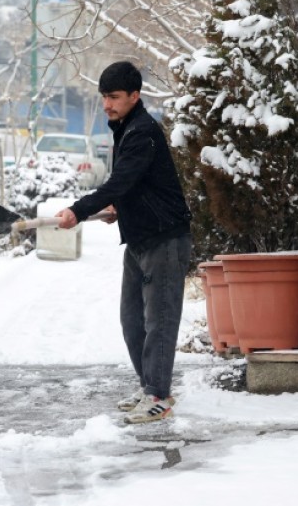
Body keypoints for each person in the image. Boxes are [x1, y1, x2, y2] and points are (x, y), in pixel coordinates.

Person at [55, 61, 193, 424]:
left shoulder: (143, 131)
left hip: (164, 239)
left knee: (159, 320)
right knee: (132, 321)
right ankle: (149, 386)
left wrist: (78, 210)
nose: (107, 105)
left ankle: (159, 396)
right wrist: (120, 205)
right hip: (139, 239)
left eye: (114, 97)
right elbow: (133, 185)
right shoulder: (127, 128)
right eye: (103, 98)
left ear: (135, 95)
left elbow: (120, 181)